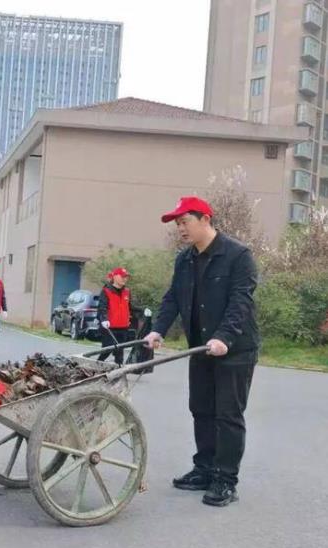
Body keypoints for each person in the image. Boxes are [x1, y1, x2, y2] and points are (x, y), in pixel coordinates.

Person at [144, 196, 259, 508]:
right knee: (201, 409)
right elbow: (172, 297)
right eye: (177, 224)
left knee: (228, 414)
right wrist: (157, 330)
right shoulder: (185, 260)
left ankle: (225, 480)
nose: (180, 228)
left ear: (205, 219)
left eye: (185, 221)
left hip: (234, 349)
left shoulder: (238, 255)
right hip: (200, 347)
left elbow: (241, 302)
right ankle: (205, 469)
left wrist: (224, 338)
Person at [97, 267, 134, 365]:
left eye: (126, 277)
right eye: (123, 277)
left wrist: (143, 312)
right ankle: (96, 365)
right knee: (107, 350)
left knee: (119, 352)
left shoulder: (127, 291)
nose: (125, 279)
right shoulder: (106, 291)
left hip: (123, 327)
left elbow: (130, 307)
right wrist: (104, 319)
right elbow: (102, 307)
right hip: (109, 327)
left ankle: (118, 369)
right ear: (115, 277)